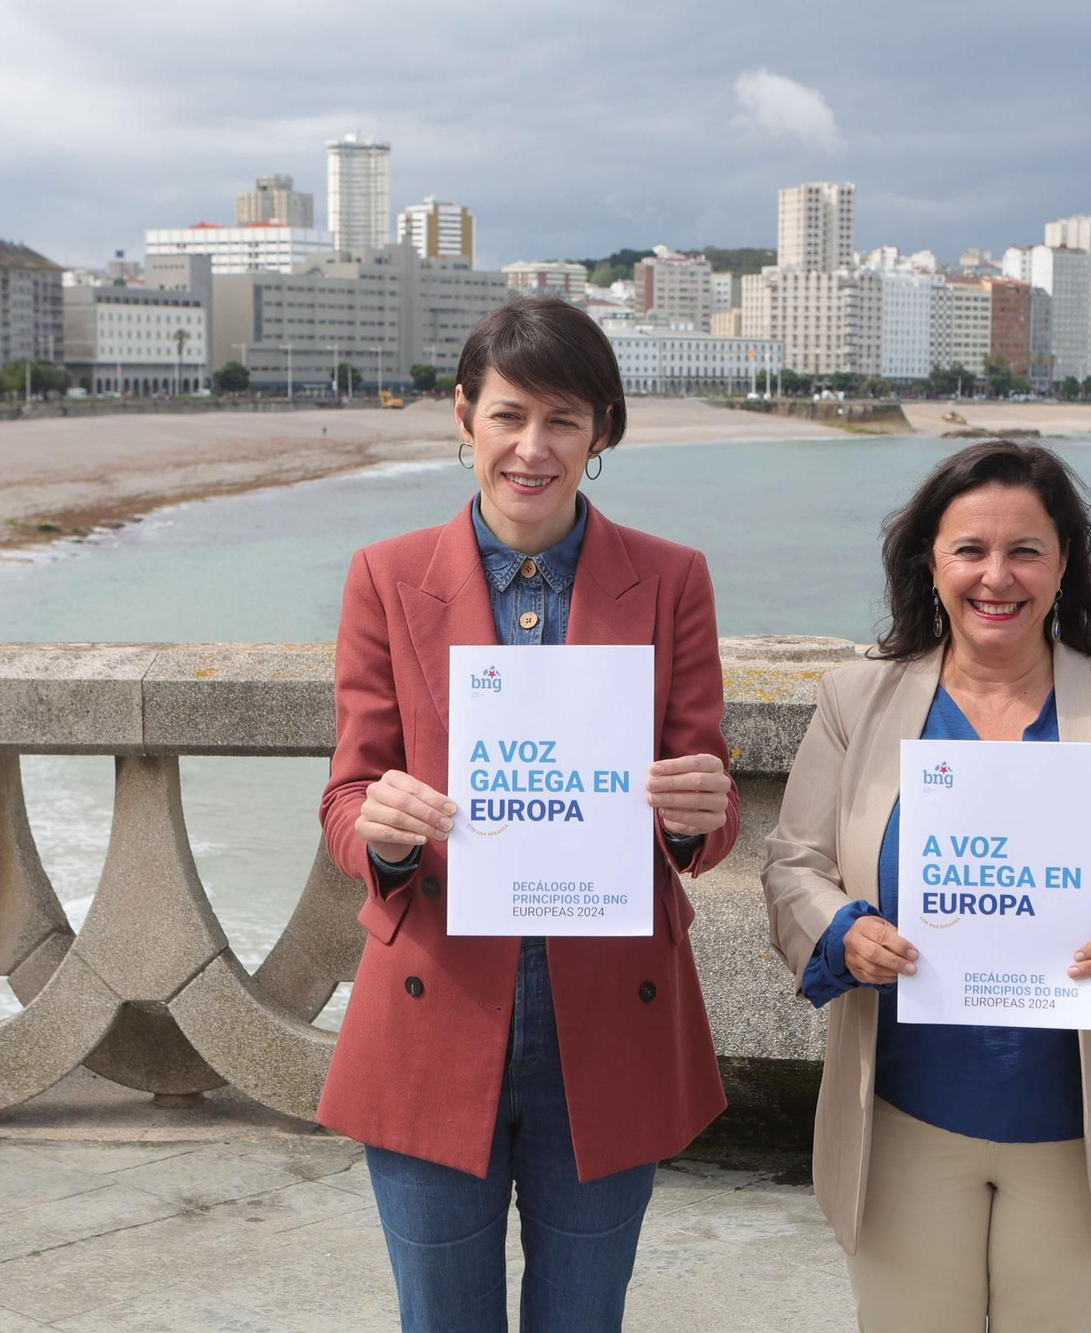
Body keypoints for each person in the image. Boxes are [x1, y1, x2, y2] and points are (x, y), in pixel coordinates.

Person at [315, 296, 739, 1332]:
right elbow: (345, 796)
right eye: (508, 415)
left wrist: (695, 809)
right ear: (462, 417)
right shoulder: (385, 576)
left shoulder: (671, 579)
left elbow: (708, 805)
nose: (531, 447)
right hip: (436, 1004)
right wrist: (382, 819)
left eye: (562, 419)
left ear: (602, 430)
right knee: (440, 1319)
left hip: (609, 1010)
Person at [761, 440, 1091, 1332]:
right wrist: (841, 933)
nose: (997, 576)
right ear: (929, 562)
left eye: (1025, 550)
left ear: (1064, 565)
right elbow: (794, 864)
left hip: (1078, 1132)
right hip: (904, 1118)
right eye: (970, 549)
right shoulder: (854, 701)